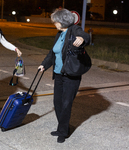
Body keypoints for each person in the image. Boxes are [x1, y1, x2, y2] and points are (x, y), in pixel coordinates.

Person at [38, 8, 90, 143]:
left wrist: (81, 39)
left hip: (71, 75)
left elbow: (85, 36)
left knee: (66, 104)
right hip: (59, 74)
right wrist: (44, 64)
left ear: (62, 21)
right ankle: (64, 127)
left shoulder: (74, 29)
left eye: (55, 21)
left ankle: (63, 131)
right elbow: (52, 52)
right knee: (58, 103)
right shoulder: (59, 34)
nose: (54, 23)